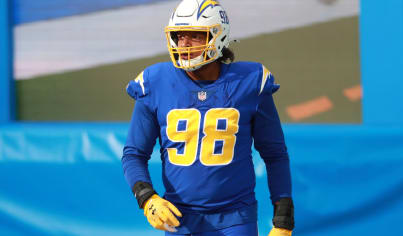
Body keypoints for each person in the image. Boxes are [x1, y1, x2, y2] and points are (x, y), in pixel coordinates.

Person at [121, 0, 294, 235]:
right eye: (180, 36)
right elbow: (133, 154)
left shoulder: (250, 82)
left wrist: (283, 218)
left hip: (236, 217)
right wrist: (146, 197)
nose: (184, 44)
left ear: (218, 36)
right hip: (178, 217)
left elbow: (275, 154)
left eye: (194, 35)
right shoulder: (154, 82)